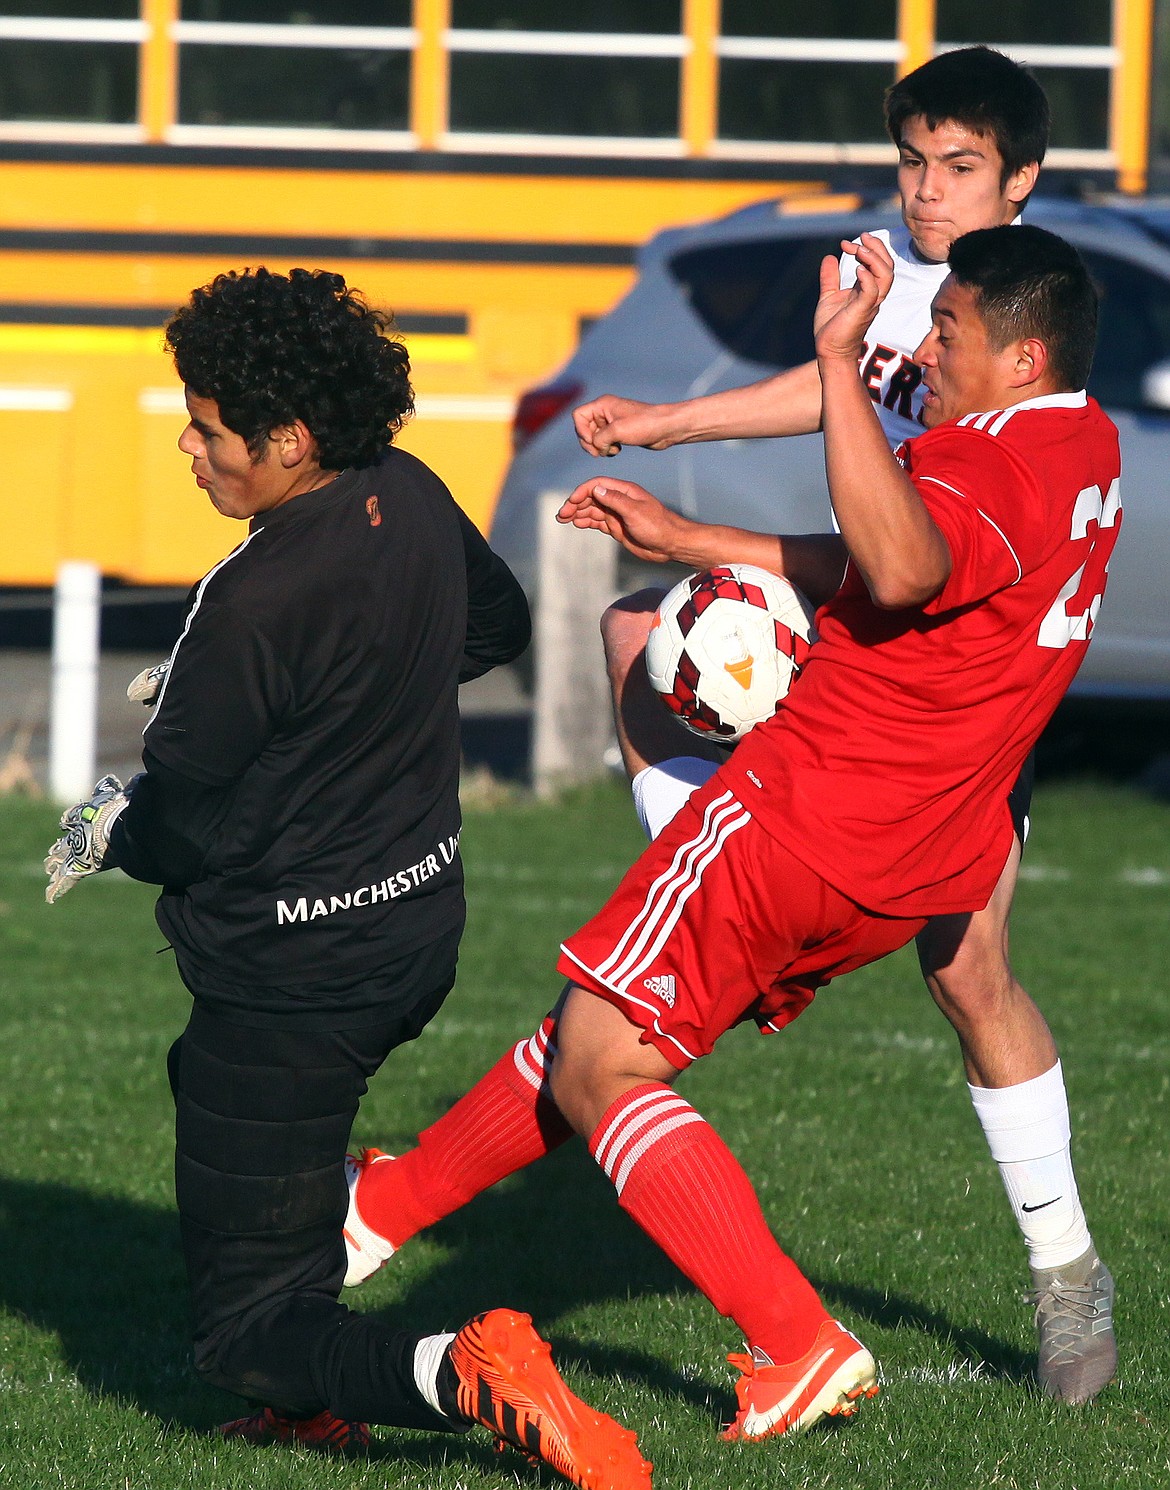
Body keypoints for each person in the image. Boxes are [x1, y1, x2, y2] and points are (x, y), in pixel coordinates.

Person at [342, 223, 1121, 1438]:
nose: (927, 341)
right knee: (608, 1014)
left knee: (607, 1055)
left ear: (1021, 356)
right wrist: (695, 539)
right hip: (913, 854)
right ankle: (378, 1208)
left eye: (951, 329)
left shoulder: (984, 462)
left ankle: (796, 1340)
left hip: (809, 813)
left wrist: (839, 355)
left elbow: (903, 563)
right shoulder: (1085, 446)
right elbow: (897, 572)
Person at [567, 46, 1116, 1408]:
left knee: (969, 975)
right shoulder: (918, 307)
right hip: (877, 652)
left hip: (955, 697)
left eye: (961, 168)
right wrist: (673, 423)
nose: (927, 193)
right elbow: (840, 398)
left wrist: (701, 510)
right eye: (913, 163)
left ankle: (1066, 1278)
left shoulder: (1010, 330)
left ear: (1023, 179)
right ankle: (722, 888)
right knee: (640, 628)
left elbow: (904, 550)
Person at [43, 265, 651, 1490]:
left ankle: (466, 1369)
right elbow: (495, 628)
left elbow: (189, 829)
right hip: (414, 931)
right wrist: (358, 692)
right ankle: (316, 1417)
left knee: (244, 1330)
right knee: (254, 1145)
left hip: (290, 977)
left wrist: (114, 825)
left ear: (288, 438)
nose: (189, 445)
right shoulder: (405, 488)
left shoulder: (251, 599)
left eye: (209, 428)